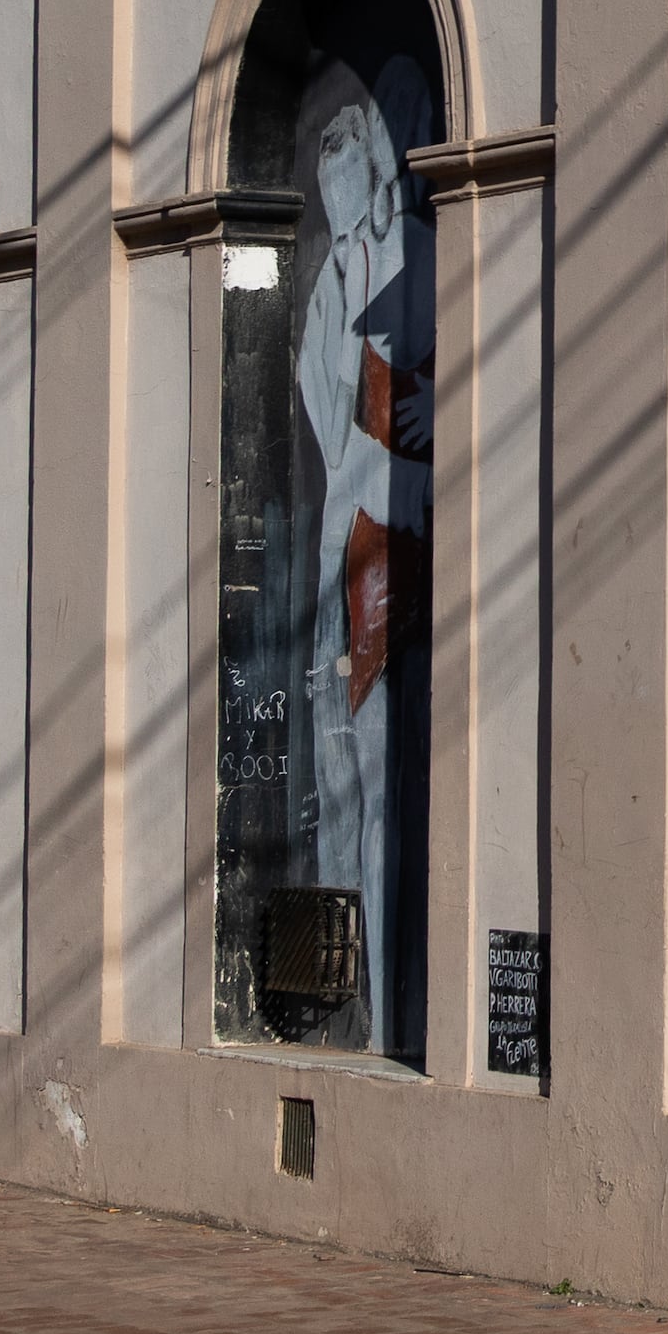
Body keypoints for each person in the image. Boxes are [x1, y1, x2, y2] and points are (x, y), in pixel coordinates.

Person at [293, 71, 433, 1046]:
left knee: (390, 781)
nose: (348, 244)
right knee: (344, 777)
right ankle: (356, 1009)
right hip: (349, 549)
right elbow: (330, 418)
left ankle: (393, 1022)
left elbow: (392, 415)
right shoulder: (329, 297)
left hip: (399, 539)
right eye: (334, 229)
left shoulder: (417, 256)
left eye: (357, 221)